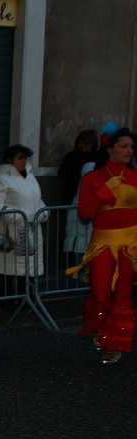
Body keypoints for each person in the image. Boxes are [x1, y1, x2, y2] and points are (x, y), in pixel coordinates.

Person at [68, 127, 137, 365]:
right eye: (123, 146)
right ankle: (99, 327)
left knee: (123, 294)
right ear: (110, 149)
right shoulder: (93, 177)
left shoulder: (136, 177)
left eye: (130, 147)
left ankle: (114, 344)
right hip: (103, 242)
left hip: (130, 243)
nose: (129, 150)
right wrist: (105, 191)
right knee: (99, 291)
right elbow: (85, 213)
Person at [0, 145, 46, 310]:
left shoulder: (30, 177)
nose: (24, 161)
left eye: (26, 158)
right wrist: (19, 215)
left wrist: (43, 213)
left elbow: (38, 200)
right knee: (7, 267)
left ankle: (29, 298)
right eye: (20, 158)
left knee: (29, 266)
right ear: (10, 160)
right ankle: (6, 300)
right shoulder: (1, 179)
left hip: (31, 229)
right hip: (10, 230)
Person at [57, 129, 98, 205]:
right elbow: (62, 173)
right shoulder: (71, 157)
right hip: (72, 194)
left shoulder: (97, 158)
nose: (83, 145)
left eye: (87, 143)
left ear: (93, 145)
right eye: (81, 143)